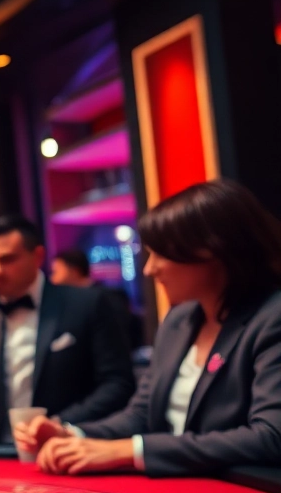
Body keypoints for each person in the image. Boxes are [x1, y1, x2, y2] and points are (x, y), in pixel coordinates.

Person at [19, 179, 281, 476]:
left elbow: (271, 436)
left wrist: (130, 451)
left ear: (211, 251)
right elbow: (142, 414)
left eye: (161, 254)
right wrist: (70, 434)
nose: (149, 269)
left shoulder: (272, 317)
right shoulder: (178, 320)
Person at [0, 215, 135, 443]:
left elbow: (118, 385)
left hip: (66, 444)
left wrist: (59, 425)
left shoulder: (87, 304)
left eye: (7, 259)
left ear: (38, 256)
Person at [52, 248, 144, 349]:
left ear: (74, 271)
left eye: (56, 272)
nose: (53, 279)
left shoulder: (107, 297)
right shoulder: (70, 302)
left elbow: (119, 338)